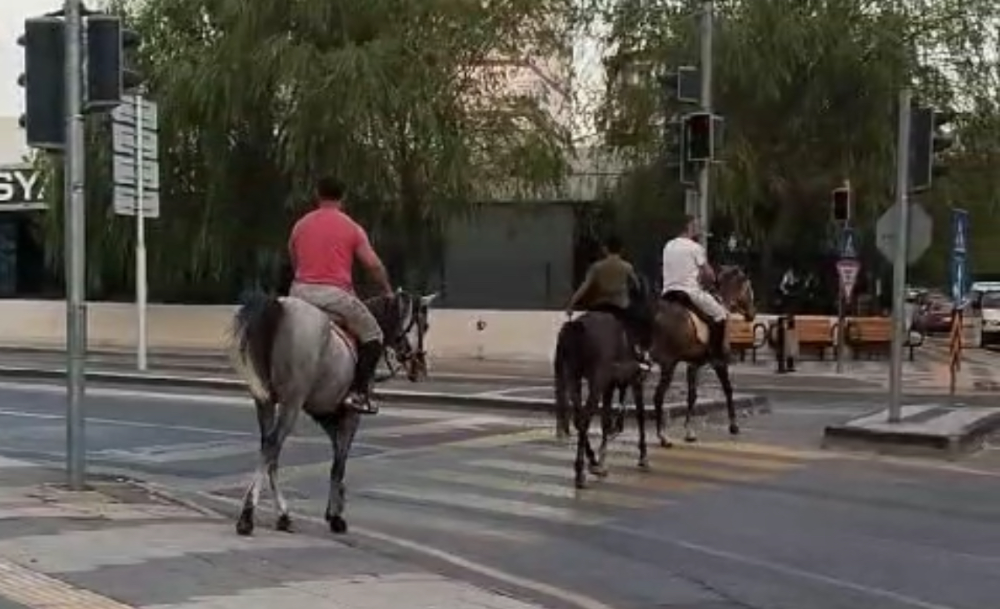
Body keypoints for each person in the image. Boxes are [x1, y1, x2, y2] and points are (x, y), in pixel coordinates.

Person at [287, 177, 394, 414]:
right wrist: (386, 290)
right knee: (373, 335)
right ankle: (358, 394)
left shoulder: (300, 225)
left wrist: (303, 277)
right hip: (335, 295)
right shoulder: (351, 227)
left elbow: (293, 257)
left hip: (299, 293)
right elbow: (373, 265)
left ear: (317, 194)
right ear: (343, 197)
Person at [565, 235, 651, 370]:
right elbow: (637, 286)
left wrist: (571, 304)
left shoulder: (596, 267)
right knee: (637, 324)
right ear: (622, 250)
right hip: (620, 307)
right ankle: (638, 352)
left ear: (605, 250)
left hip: (599, 306)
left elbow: (584, 286)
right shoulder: (626, 267)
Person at [661, 215, 729, 360]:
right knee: (720, 314)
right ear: (689, 226)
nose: (698, 229)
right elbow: (708, 274)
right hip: (689, 292)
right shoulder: (695, 247)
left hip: (667, 292)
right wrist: (712, 279)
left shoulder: (668, 245)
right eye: (696, 226)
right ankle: (716, 353)